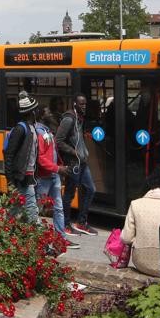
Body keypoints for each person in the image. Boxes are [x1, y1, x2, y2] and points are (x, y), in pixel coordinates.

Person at [36, 113, 79, 250]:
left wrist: (60, 167)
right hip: (44, 177)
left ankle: (60, 239)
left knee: (58, 208)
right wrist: (57, 168)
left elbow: (54, 153)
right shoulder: (39, 133)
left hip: (54, 175)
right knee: (37, 209)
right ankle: (34, 239)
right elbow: (41, 158)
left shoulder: (48, 132)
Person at [57, 95, 98, 236]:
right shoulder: (69, 119)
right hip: (73, 163)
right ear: (75, 104)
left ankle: (81, 222)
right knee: (69, 194)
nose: (84, 106)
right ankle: (65, 224)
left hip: (82, 162)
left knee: (91, 189)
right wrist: (73, 151)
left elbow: (75, 138)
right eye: (81, 104)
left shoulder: (79, 119)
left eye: (85, 104)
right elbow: (59, 141)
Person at [3, 91, 39, 222]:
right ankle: (40, 239)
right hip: (21, 178)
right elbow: (9, 155)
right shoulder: (20, 129)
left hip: (27, 177)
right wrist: (11, 182)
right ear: (32, 112)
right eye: (37, 110)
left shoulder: (31, 128)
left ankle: (5, 234)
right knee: (32, 212)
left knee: (15, 211)